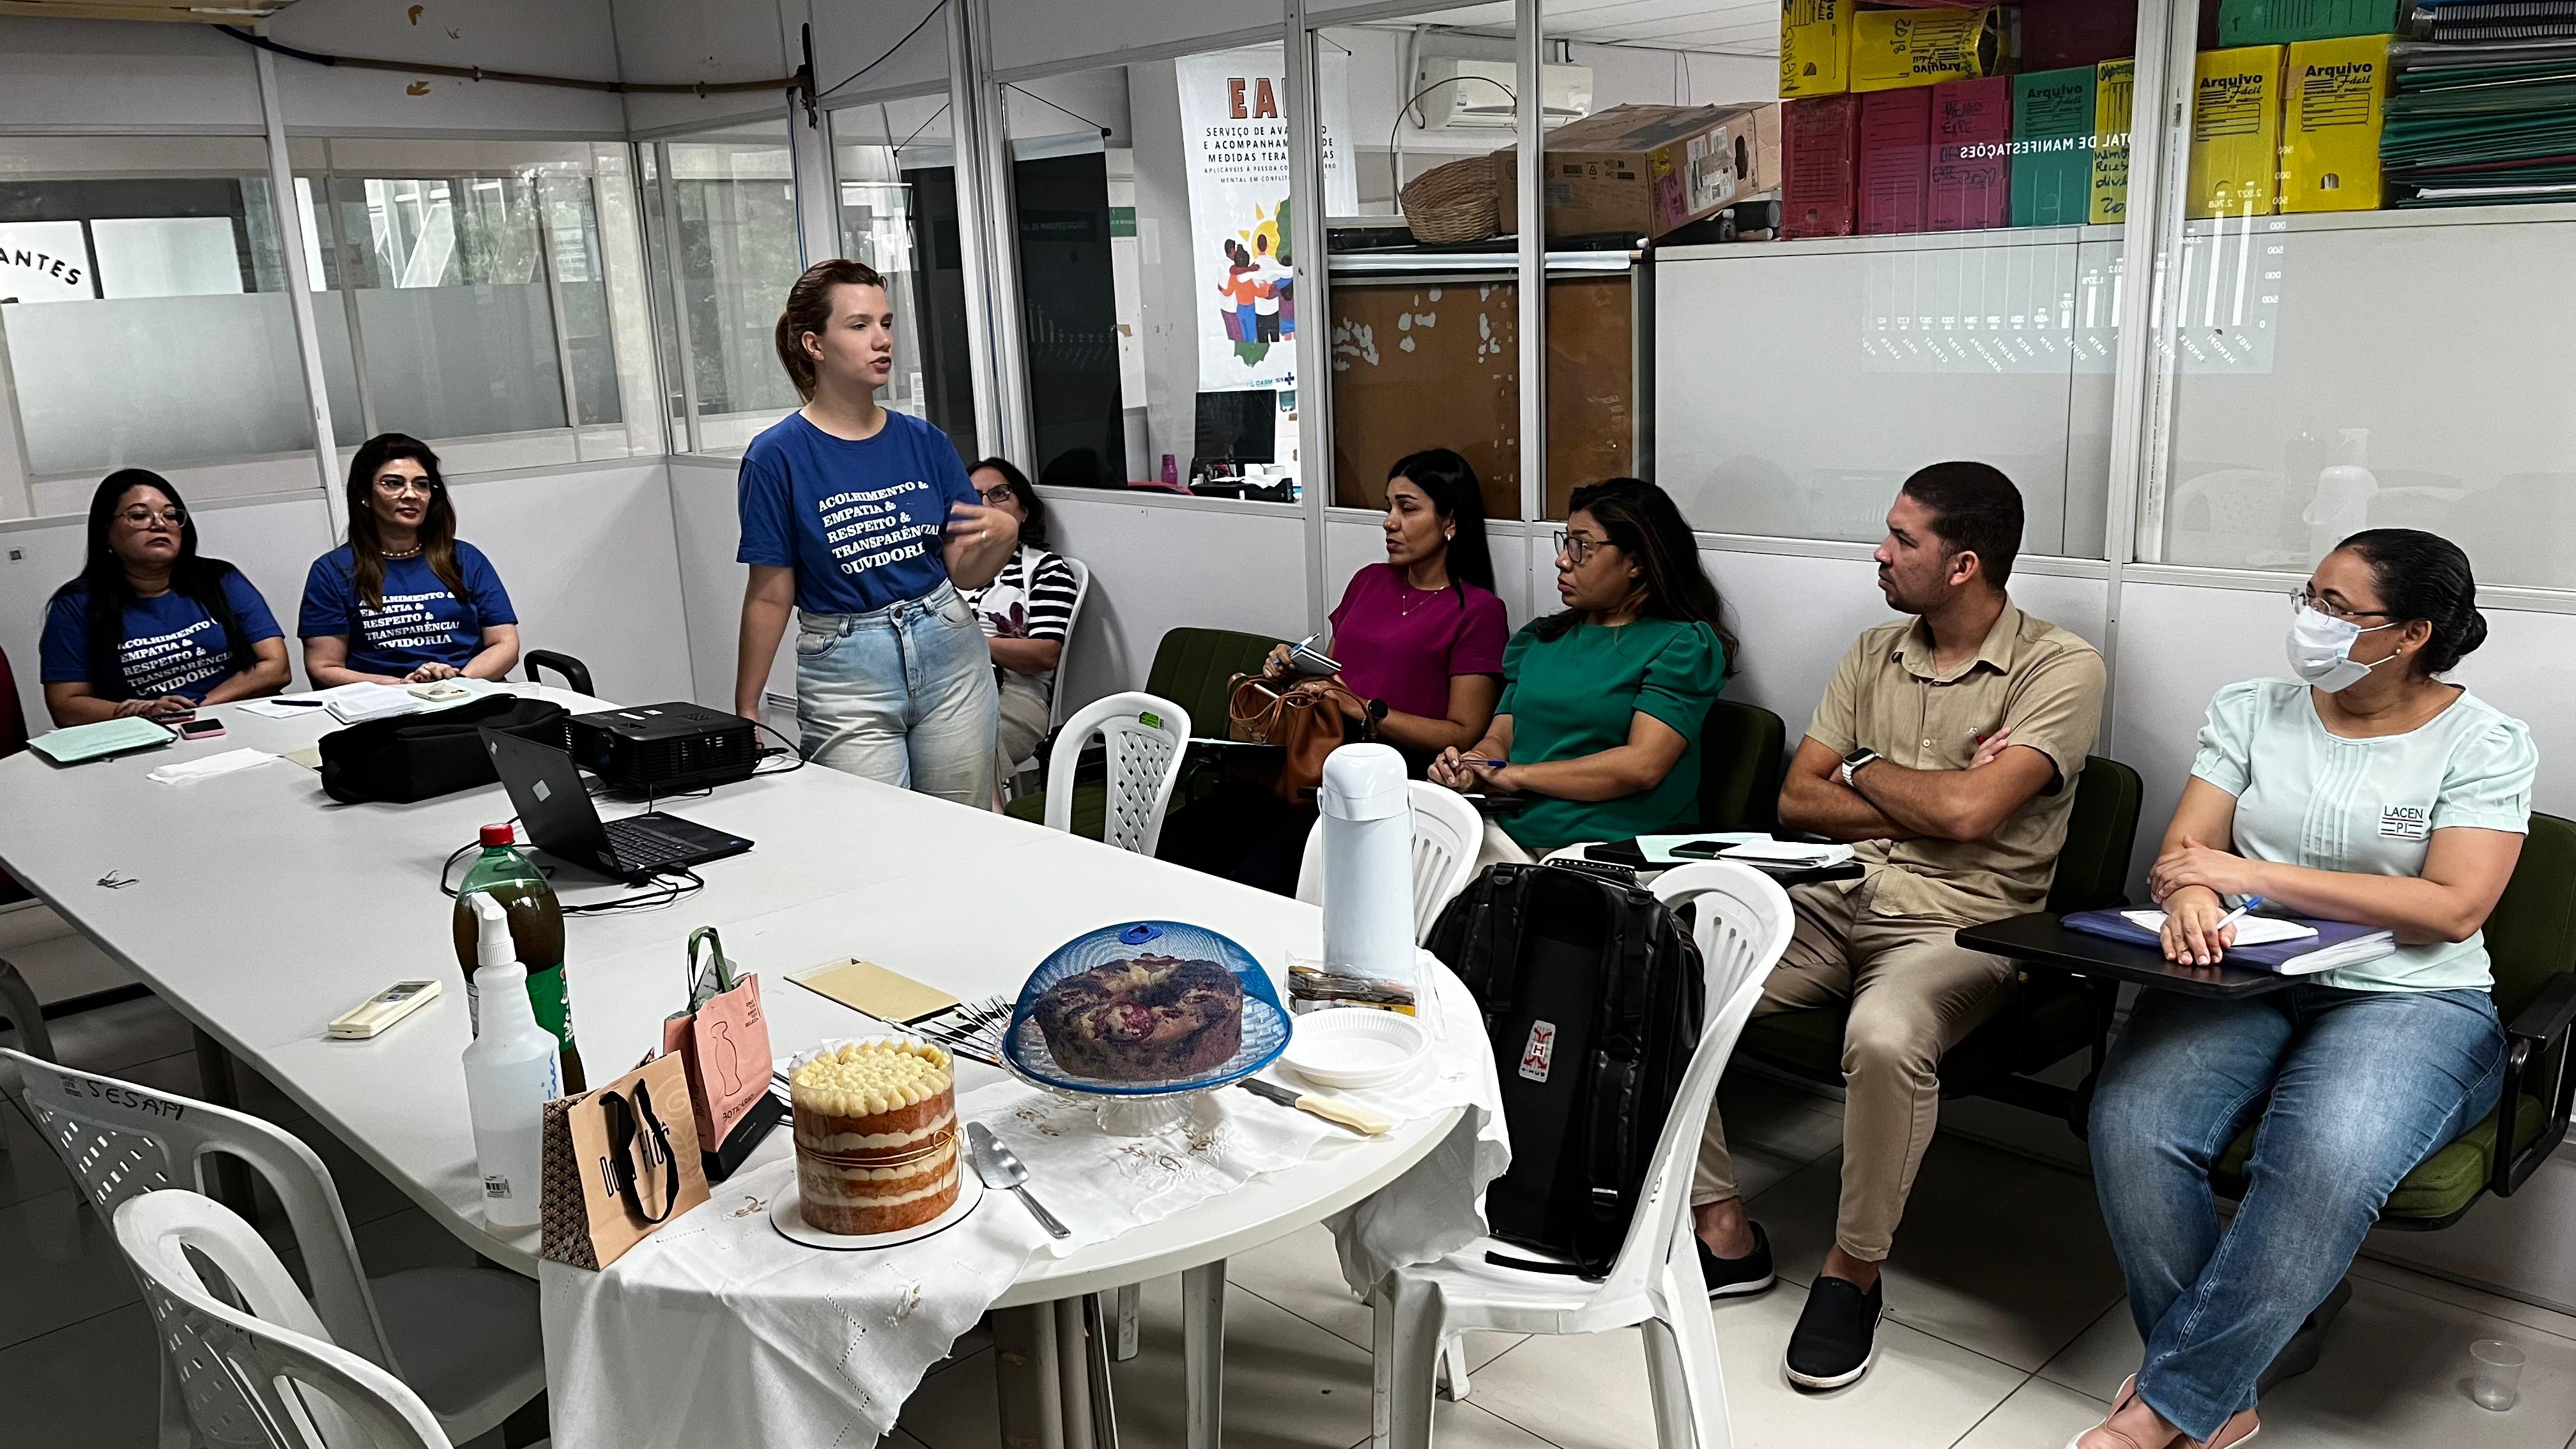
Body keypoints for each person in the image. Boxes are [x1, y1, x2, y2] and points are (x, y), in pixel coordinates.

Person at [2076, 530, 2531, 1449]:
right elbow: (2183, 857)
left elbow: (2449, 909)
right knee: (2133, 1124)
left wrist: (2254, 874)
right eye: (2308, 596)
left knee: (2324, 1159)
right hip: (2248, 976)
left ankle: (2169, 1407)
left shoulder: (2485, 742)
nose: (2308, 621)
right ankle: (2222, 1389)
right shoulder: (2251, 710)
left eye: (2335, 607)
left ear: (2409, 634)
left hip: (2410, 996)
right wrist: (2198, 891)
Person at [1689, 462, 2105, 1393]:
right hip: (1836, 898)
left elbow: (1970, 822)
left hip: (1965, 930)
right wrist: (1922, 784)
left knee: (1884, 1037)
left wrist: (1868, 774)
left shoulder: (2061, 667)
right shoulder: (1874, 650)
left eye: (1901, 539)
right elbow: (1799, 802)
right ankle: (1724, 1229)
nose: (1880, 553)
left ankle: (1852, 1274)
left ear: (1963, 564)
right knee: (1677, 969)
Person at [1159, 448, 1508, 893]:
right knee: (1176, 844)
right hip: (1309, 759)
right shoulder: (1370, 581)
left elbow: (1464, 732)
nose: (1389, 522)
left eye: (1407, 508)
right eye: (1388, 508)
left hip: (1378, 783)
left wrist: (1366, 711)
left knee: (1260, 881)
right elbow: (1336, 675)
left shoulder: (1477, 610)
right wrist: (1294, 672)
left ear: (1451, 521)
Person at [734, 257, 1016, 804]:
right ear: (814, 345)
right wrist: (749, 706)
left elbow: (963, 570)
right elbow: (770, 594)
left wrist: (1000, 539)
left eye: (885, 324)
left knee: (964, 835)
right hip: (846, 667)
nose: (881, 340)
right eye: (860, 326)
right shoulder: (776, 457)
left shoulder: (924, 441)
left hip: (947, 647)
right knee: (872, 840)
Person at [1429, 477, 1731, 862]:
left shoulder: (1682, 645)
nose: (1563, 559)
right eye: (1566, 541)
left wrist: (1517, 775)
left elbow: (1642, 766)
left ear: (1636, 562)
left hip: (1609, 846)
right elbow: (1499, 740)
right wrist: (1470, 768)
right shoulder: (1540, 639)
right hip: (1512, 831)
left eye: (1582, 546)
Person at [41, 470, 289, 724]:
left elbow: (276, 666)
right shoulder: (76, 604)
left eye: (170, 516)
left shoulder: (220, 579)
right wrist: (146, 712)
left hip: (236, 717)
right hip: (146, 734)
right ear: (106, 531)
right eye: (139, 516)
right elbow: (66, 706)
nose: (160, 524)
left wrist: (197, 709)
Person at [300, 435, 519, 687]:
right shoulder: (333, 571)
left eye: (421, 485)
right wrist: (399, 687)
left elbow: (505, 644)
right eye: (393, 484)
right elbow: (324, 666)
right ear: (365, 495)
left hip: (467, 693)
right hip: (385, 706)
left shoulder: (465, 559)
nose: (410, 494)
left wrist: (455, 683)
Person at [956, 457, 1080, 771]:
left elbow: (1045, 654)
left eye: (998, 493)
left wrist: (964, 642)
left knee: (953, 751)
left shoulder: (1045, 569)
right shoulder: (946, 570)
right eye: (973, 497)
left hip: (1012, 695)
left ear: (1024, 511)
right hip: (944, 689)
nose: (985, 505)